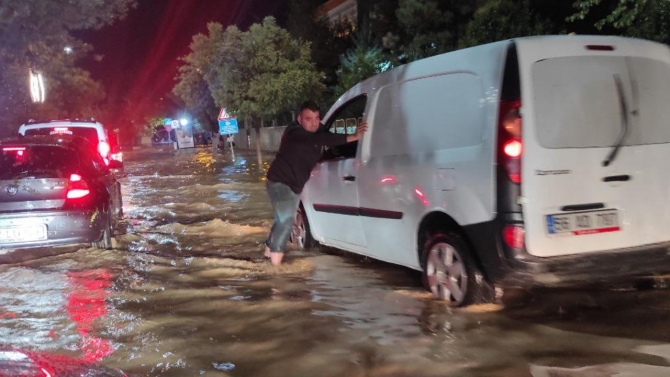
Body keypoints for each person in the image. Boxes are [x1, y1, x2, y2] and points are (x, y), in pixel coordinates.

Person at [264, 100, 368, 265]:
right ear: (299, 119)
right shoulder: (294, 132)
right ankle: (275, 269)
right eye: (308, 119)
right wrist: (354, 136)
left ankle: (268, 254)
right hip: (279, 182)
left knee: (281, 219)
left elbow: (330, 138)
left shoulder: (317, 130)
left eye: (316, 118)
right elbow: (323, 138)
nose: (313, 123)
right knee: (286, 220)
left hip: (295, 185)